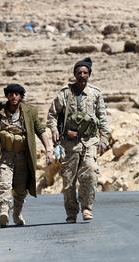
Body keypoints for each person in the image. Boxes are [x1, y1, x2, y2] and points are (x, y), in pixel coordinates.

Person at [0, 83, 53, 227]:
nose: (13, 97)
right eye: (10, 94)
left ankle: (17, 213)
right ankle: (4, 210)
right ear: (7, 96)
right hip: (4, 155)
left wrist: (48, 149)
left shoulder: (30, 112)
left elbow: (40, 130)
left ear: (21, 96)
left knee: (20, 188)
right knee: (4, 183)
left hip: (23, 156)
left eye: (16, 94)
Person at [47, 57, 110, 223]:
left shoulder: (95, 94)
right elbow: (52, 115)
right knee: (69, 181)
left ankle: (87, 208)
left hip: (90, 141)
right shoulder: (65, 94)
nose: (82, 75)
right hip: (69, 144)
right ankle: (71, 213)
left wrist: (104, 137)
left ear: (89, 74)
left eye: (85, 72)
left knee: (90, 171)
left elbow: (102, 117)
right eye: (79, 72)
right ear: (74, 74)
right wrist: (55, 130)